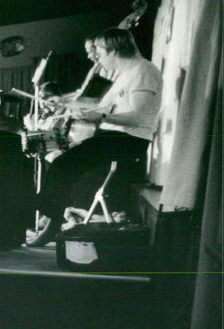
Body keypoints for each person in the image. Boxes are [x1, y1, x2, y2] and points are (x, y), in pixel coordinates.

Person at [28, 27, 162, 246]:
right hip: (118, 136)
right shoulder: (126, 74)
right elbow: (101, 106)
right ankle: (51, 218)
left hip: (132, 140)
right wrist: (65, 103)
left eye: (99, 53)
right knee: (63, 164)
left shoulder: (144, 72)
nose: (98, 59)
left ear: (113, 50)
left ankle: (51, 225)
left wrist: (99, 116)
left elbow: (136, 117)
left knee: (63, 164)